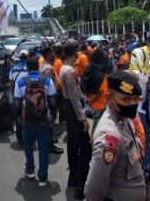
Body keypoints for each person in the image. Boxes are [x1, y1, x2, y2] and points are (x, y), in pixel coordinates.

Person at [84, 71, 146, 200]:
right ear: (109, 98)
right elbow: (95, 188)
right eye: (126, 99)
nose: (132, 104)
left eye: (135, 99)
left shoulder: (125, 118)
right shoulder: (109, 137)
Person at [14, 56, 57, 187]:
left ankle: (30, 170)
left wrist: (21, 113)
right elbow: (53, 100)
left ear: (27, 68)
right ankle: (42, 177)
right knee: (43, 148)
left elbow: (17, 102)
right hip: (44, 120)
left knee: (28, 145)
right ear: (38, 67)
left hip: (28, 120)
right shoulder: (47, 80)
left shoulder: (21, 81)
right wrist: (52, 114)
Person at [60, 42, 92, 199]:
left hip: (67, 107)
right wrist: (83, 117)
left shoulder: (63, 68)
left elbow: (75, 93)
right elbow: (74, 97)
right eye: (78, 52)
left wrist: (84, 98)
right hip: (73, 109)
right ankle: (81, 186)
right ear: (74, 54)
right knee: (86, 147)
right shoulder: (71, 71)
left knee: (72, 144)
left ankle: (72, 178)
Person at [38, 46, 64, 155]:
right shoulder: (48, 68)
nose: (53, 54)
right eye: (51, 53)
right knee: (50, 121)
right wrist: (52, 101)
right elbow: (48, 85)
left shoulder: (42, 66)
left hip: (47, 98)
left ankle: (49, 142)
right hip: (49, 98)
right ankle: (49, 145)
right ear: (48, 54)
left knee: (49, 121)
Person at [10, 50, 30, 147]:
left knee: (18, 119)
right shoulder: (31, 67)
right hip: (30, 97)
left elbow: (11, 83)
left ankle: (20, 141)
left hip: (18, 97)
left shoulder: (13, 68)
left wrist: (14, 93)